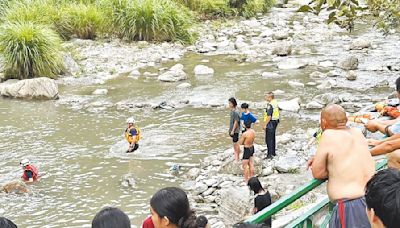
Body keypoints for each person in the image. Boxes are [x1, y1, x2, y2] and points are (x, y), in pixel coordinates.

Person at [310, 104, 375, 228]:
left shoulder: (328, 135)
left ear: (323, 122)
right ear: (345, 120)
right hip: (371, 199)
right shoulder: (357, 133)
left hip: (350, 206)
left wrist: (322, 162)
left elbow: (318, 173)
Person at [263, 92, 279, 159]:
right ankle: (273, 153)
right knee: (272, 137)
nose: (265, 97)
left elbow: (269, 116)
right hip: (275, 121)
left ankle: (269, 155)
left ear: (270, 97)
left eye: (266, 96)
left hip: (270, 122)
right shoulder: (275, 102)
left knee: (268, 139)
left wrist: (265, 125)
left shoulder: (270, 105)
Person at [229, 97, 241, 162]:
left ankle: (237, 158)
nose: (229, 104)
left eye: (230, 103)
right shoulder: (233, 110)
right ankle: (237, 157)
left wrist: (233, 130)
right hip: (234, 130)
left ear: (233, 103)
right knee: (235, 144)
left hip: (235, 131)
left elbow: (236, 122)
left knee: (235, 144)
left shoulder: (235, 112)